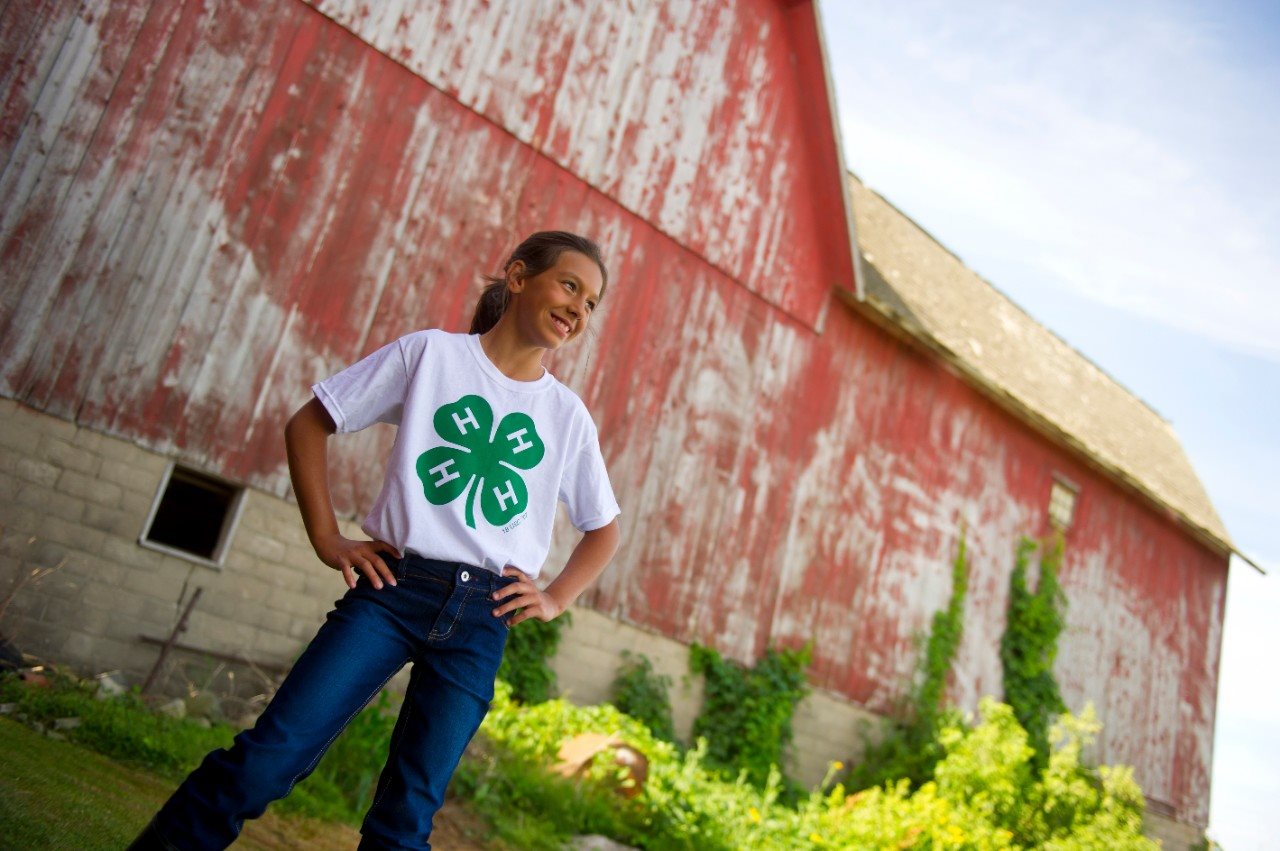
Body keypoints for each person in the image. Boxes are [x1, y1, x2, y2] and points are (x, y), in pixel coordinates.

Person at [130, 231, 622, 850]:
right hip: (393, 590)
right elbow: (309, 423)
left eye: (592, 303)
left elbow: (604, 528)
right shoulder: (431, 356)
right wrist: (326, 536)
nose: (579, 309)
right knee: (266, 762)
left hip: (481, 620)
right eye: (570, 286)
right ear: (519, 277)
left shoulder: (567, 417)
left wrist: (554, 598)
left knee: (406, 822)